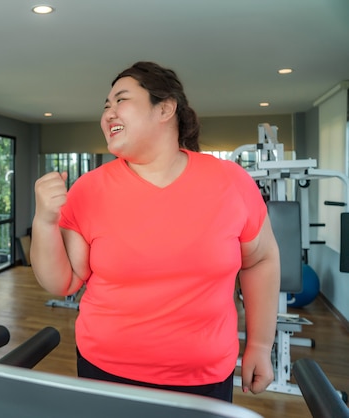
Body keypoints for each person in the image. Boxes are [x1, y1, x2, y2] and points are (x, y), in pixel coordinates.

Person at [30, 61, 281, 402]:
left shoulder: (230, 181)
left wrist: (260, 344)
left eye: (121, 100)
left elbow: (261, 260)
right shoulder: (89, 189)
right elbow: (62, 282)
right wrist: (43, 221)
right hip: (105, 373)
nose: (108, 114)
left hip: (203, 378)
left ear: (165, 108)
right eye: (105, 106)